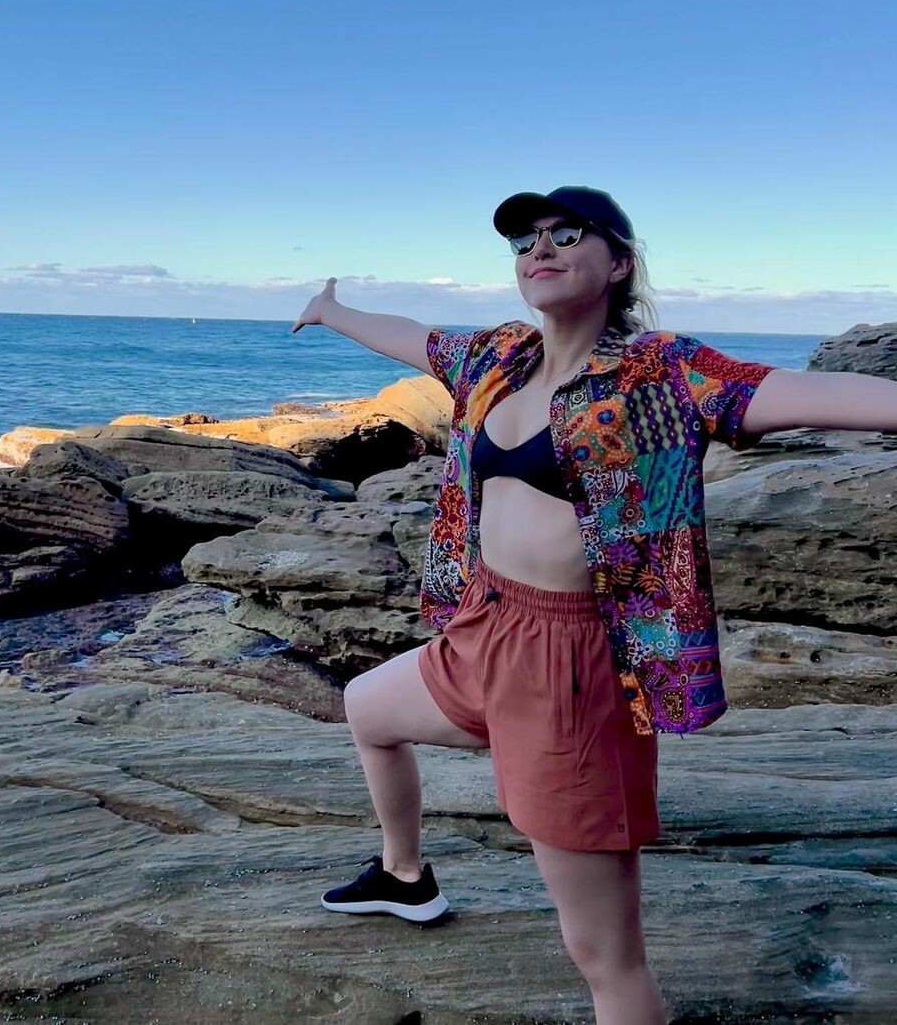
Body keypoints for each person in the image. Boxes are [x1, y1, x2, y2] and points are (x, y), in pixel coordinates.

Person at [290, 185, 897, 1025]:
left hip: (573, 665)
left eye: (566, 233)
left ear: (618, 263)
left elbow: (799, 389)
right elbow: (413, 339)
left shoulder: (662, 374)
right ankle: (404, 876)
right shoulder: (498, 358)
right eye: (524, 241)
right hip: (484, 624)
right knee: (367, 706)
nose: (539, 249)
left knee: (606, 958)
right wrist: (331, 310)